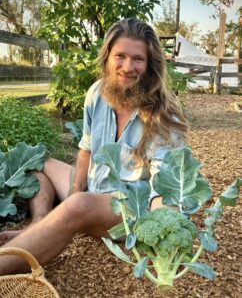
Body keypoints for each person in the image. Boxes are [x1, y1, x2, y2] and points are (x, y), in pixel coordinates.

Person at [0, 18, 187, 275]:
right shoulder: (96, 93)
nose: (127, 67)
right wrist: (76, 191)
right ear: (107, 57)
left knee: (78, 207)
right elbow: (86, 149)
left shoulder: (163, 116)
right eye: (120, 56)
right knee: (37, 162)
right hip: (93, 188)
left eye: (138, 59)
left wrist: (162, 235)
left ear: (151, 64)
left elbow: (164, 190)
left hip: (128, 208)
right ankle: (41, 223)